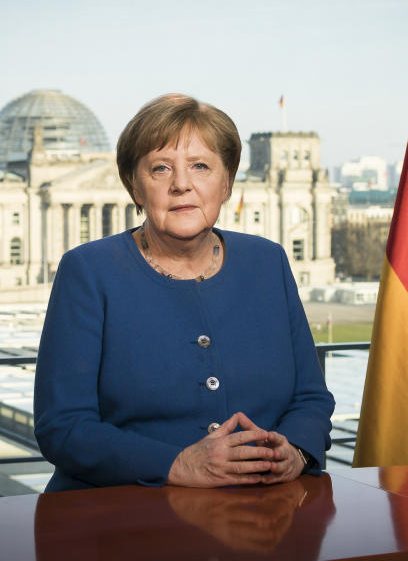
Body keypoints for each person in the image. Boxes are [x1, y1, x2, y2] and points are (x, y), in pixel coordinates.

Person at [34, 93, 335, 491]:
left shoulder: (268, 261)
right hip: (123, 520)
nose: (181, 185)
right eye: (160, 168)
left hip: (264, 519)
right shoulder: (88, 271)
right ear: (135, 187)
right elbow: (63, 426)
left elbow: (311, 397)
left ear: (226, 183)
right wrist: (176, 464)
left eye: (200, 166)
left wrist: (294, 450)